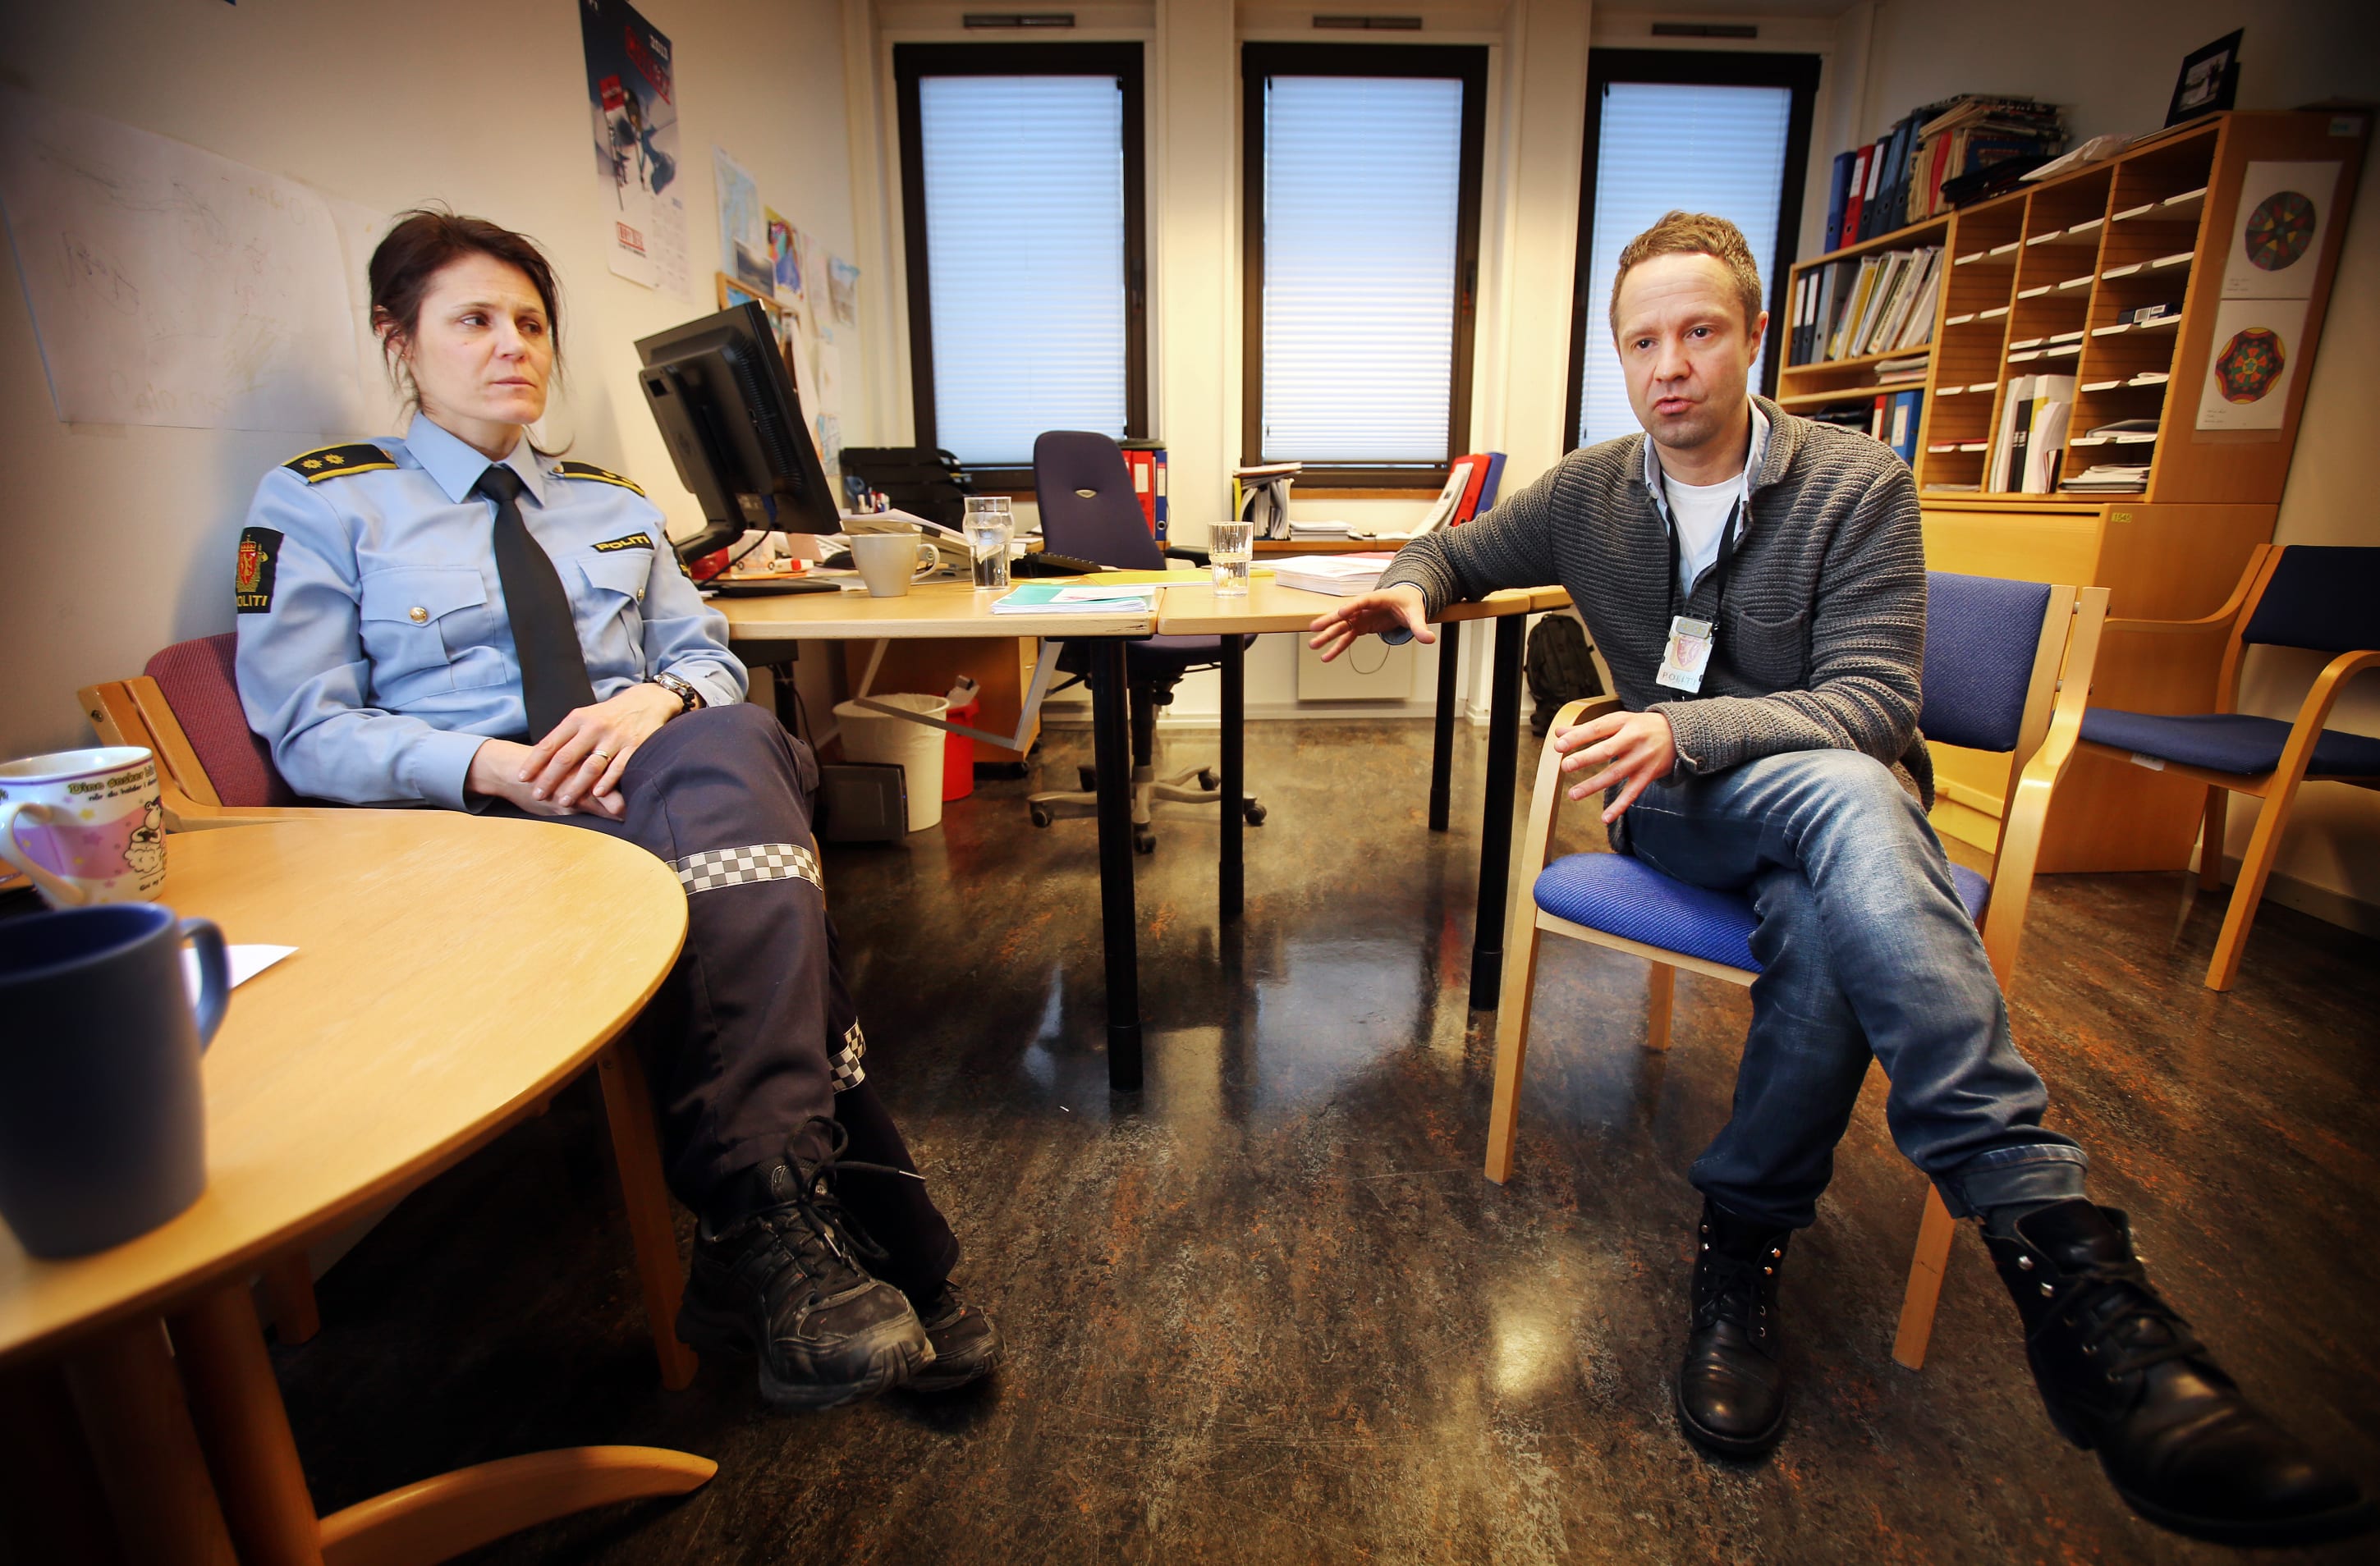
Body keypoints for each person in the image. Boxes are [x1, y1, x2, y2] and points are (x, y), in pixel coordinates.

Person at [1308, 211, 2369, 1547]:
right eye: (1642, 342)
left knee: (1831, 885)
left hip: (1812, 796)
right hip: (1676, 811)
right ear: (1619, 358)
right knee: (1857, 810)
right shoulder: (1588, 494)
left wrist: (1692, 726)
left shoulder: (1858, 482)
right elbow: (1454, 549)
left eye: (1701, 331)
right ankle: (2067, 1259)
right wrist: (1408, 585)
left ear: (1755, 337)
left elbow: (1873, 705)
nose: (1669, 365)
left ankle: (1740, 1255)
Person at [234, 209, 997, 1410]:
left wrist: (653, 699)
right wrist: (490, 765)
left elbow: (707, 658)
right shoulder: (326, 504)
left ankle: (764, 1229)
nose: (512, 346)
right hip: (472, 831)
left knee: (735, 743)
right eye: (473, 321)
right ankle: (847, 1239)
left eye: (530, 322)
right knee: (766, 889)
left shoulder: (611, 503)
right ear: (399, 339)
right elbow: (305, 728)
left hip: (645, 796)